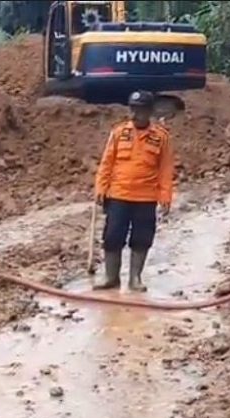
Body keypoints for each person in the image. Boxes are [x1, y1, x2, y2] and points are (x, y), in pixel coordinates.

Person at [93, 90, 174, 292]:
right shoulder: (119, 132)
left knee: (142, 238)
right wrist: (101, 187)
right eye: (134, 109)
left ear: (150, 111)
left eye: (142, 110)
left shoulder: (160, 137)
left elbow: (165, 168)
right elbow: (106, 162)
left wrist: (165, 196)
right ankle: (111, 277)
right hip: (118, 195)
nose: (137, 114)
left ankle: (135, 278)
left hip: (146, 198)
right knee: (112, 236)